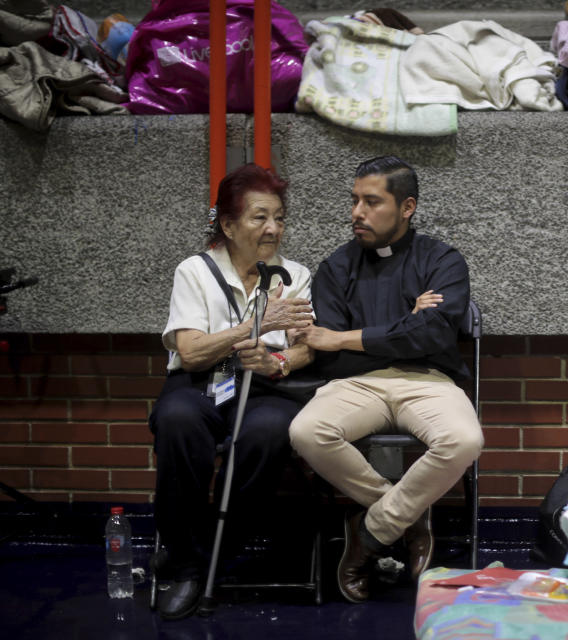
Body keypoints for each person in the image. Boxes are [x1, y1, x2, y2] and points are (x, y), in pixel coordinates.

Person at [288, 156, 484, 603]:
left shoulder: (443, 260)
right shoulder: (336, 267)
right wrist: (404, 327)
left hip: (428, 380)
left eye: (371, 202)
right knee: (306, 431)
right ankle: (408, 518)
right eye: (354, 200)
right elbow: (327, 351)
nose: (356, 212)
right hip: (357, 383)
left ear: (407, 206)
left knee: (464, 440)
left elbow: (433, 334)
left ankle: (370, 530)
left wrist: (348, 338)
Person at [149, 163, 315, 620]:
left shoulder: (294, 275)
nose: (273, 228)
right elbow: (190, 351)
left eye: (279, 217)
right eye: (260, 217)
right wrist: (254, 327)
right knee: (178, 421)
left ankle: (206, 556)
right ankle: (186, 563)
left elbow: (307, 350)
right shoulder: (195, 271)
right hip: (202, 381)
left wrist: (278, 359)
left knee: (270, 433)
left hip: (264, 386)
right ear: (228, 224)